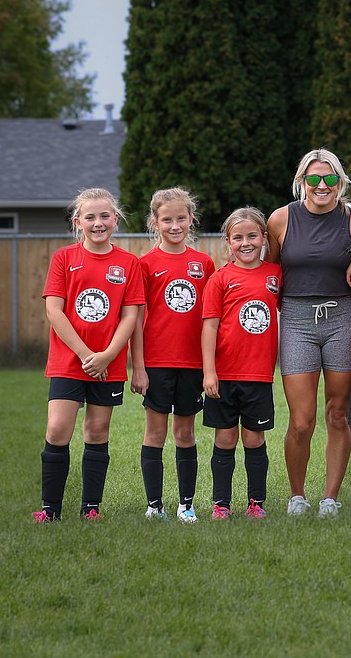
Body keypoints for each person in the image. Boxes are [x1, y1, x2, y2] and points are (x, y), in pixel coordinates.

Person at [34, 188, 144, 522]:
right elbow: (54, 311)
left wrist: (109, 355)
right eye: (91, 217)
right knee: (57, 430)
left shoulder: (129, 263)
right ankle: (50, 510)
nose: (98, 223)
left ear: (116, 219)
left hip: (107, 365)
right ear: (78, 221)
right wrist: (86, 355)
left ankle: (90, 509)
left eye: (105, 216)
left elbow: (131, 316)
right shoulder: (64, 259)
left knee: (97, 433)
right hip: (69, 362)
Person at [267, 149, 351, 518]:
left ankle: (329, 498)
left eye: (330, 179)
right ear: (301, 182)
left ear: (340, 182)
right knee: (302, 418)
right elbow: (271, 271)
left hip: (343, 317)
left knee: (338, 413)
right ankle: (297, 496)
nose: (322, 186)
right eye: (314, 179)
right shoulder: (281, 219)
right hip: (296, 319)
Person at [130, 187, 215, 523]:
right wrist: (139, 367)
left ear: (191, 220)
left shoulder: (204, 263)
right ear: (155, 222)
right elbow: (135, 321)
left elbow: (211, 321)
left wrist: (210, 366)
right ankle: (155, 506)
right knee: (155, 434)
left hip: (192, 364)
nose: (175, 225)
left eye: (181, 218)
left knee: (185, 434)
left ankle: (186, 504)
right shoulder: (145, 264)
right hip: (156, 363)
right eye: (167, 219)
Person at [202, 207, 282, 519]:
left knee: (253, 437)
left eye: (252, 236)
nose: (246, 243)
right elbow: (209, 326)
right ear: (228, 241)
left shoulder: (275, 275)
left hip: (259, 375)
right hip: (224, 375)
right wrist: (209, 371)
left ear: (264, 238)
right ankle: (221, 504)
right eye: (238, 237)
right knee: (224, 437)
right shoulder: (220, 279)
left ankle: (255, 503)